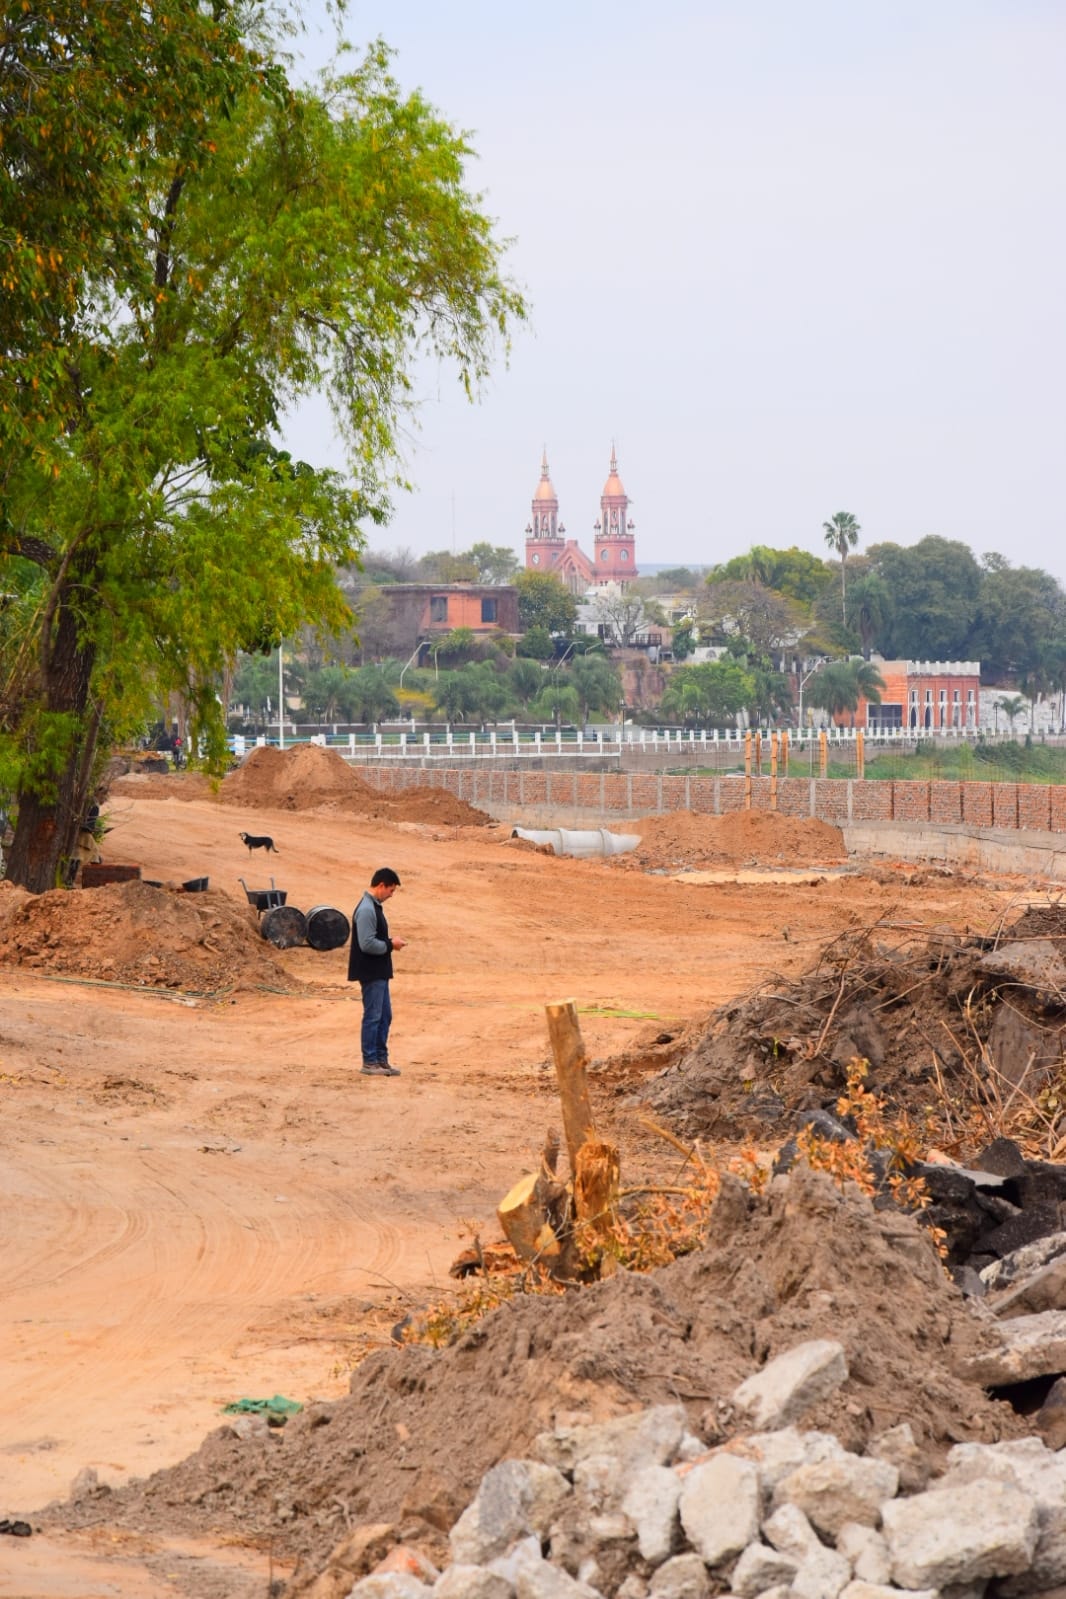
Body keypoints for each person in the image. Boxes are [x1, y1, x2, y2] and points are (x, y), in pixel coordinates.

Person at [348, 867, 406, 1077]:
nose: (391, 895)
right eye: (391, 890)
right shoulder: (366, 909)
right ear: (381, 885)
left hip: (378, 971)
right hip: (371, 971)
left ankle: (381, 1059)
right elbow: (367, 944)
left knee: (384, 1016)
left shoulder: (373, 906)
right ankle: (370, 1061)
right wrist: (391, 944)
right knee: (373, 1017)